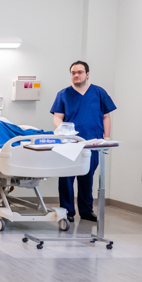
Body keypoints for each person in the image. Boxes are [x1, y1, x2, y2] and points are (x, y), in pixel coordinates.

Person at [50, 60, 116, 222]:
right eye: (73, 73)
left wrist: (106, 138)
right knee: (66, 177)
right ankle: (67, 212)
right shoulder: (63, 94)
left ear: (87, 74)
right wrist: (63, 129)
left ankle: (86, 211)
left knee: (87, 177)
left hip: (92, 142)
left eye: (79, 72)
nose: (76, 75)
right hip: (69, 143)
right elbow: (57, 117)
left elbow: (106, 116)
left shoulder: (99, 92)